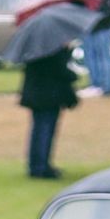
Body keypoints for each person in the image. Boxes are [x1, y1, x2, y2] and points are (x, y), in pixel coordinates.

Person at [19, 42, 76, 180]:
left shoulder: (36, 46)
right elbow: (58, 69)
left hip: (40, 93)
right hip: (47, 95)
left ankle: (39, 164)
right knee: (44, 129)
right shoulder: (50, 48)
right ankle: (40, 167)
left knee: (40, 129)